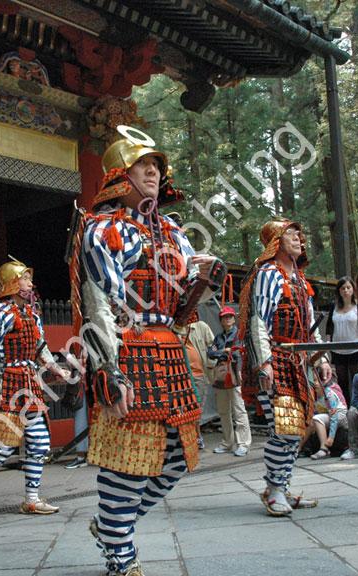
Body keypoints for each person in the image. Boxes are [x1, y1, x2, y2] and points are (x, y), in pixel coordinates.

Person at [73, 126, 222, 576]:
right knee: (126, 460)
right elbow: (99, 299)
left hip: (170, 350)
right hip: (128, 346)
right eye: (143, 164)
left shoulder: (174, 232)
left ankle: (113, 526)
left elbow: (181, 305)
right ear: (122, 174)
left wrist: (201, 280)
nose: (154, 171)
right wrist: (109, 370)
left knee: (176, 458)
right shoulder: (103, 228)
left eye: (157, 165)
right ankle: (122, 557)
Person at [239, 218, 332, 516]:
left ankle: (281, 485)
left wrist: (322, 358)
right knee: (285, 429)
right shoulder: (268, 274)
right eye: (290, 233)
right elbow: (258, 321)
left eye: (299, 233)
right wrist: (263, 362)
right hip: (276, 359)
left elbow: (309, 322)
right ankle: (274, 489)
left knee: (299, 426)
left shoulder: (300, 279)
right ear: (276, 241)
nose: (298, 238)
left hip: (299, 361)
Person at [0, 258, 70, 517]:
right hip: (8, 379)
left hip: (30, 382)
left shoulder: (32, 314)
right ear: (12, 282)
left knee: (40, 443)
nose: (30, 283)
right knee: (1, 447)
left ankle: (31, 498)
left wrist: (55, 368)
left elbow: (40, 346)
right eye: (25, 278)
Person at [208, 306, 251, 456]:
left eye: (229, 316)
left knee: (239, 410)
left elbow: (238, 352)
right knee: (223, 411)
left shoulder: (239, 334)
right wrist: (224, 352)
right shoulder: (219, 337)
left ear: (234, 319)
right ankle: (227, 442)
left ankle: (243, 443)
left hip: (234, 373)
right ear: (220, 320)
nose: (227, 319)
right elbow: (210, 353)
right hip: (221, 374)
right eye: (224, 317)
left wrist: (227, 353)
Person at [325, 276, 358, 402]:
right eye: (343, 288)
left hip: (355, 349)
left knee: (356, 380)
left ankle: (357, 408)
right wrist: (328, 345)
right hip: (337, 350)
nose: (346, 291)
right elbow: (329, 326)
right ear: (339, 291)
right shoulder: (333, 306)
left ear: (353, 289)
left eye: (348, 287)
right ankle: (345, 407)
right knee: (342, 381)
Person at [183, 318, 215, 449]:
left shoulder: (200, 326)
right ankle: (191, 437)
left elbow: (214, 346)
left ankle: (197, 436)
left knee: (197, 408)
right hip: (182, 376)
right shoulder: (175, 328)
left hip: (199, 376)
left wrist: (211, 364)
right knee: (185, 408)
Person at [307, 370, 347, 460]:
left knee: (317, 418)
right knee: (311, 420)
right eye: (313, 380)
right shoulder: (314, 394)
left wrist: (331, 437)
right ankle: (299, 448)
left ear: (324, 381)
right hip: (326, 415)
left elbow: (334, 416)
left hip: (340, 416)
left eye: (317, 380)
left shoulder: (329, 394)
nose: (315, 383)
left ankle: (324, 449)